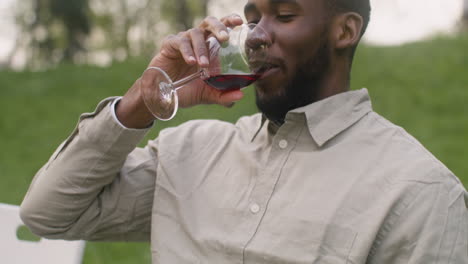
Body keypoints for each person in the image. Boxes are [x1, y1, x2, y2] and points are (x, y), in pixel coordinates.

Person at [20, 0, 467, 263]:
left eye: (284, 15)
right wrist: (142, 98)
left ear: (344, 31)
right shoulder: (188, 152)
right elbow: (48, 215)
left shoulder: (419, 192)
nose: (255, 35)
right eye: (254, 17)